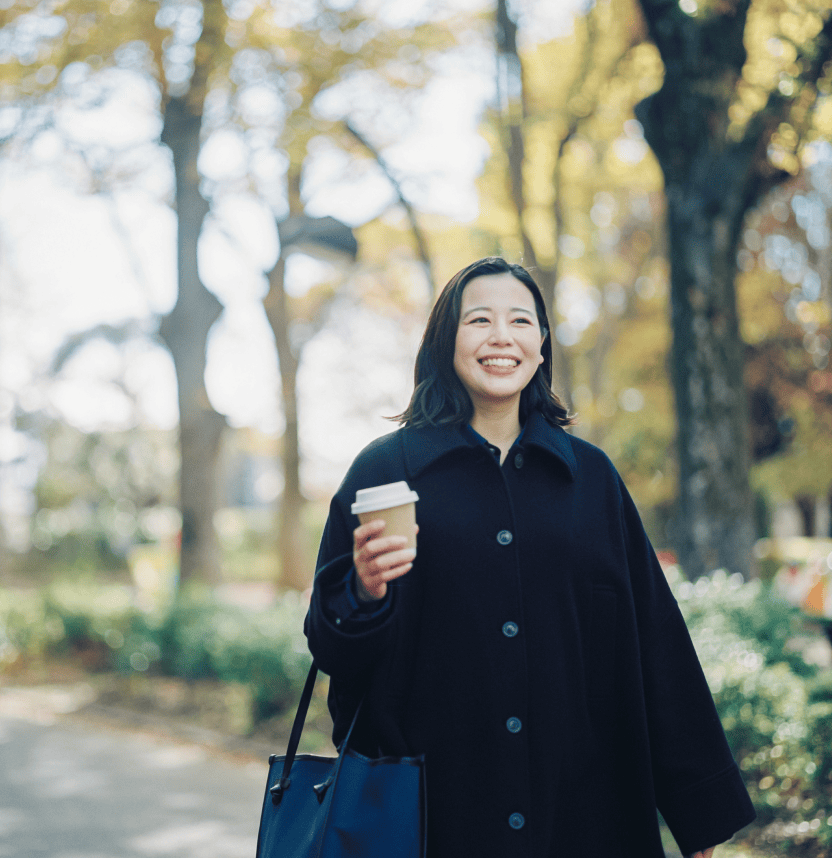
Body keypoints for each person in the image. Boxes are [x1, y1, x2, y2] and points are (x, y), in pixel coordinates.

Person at [304, 257, 756, 858]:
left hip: (581, 810)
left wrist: (698, 812)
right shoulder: (386, 471)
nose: (501, 337)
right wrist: (363, 592)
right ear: (447, 341)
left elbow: (654, 641)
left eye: (520, 321)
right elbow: (332, 650)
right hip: (428, 816)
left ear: (541, 346)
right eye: (479, 320)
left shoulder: (590, 479)